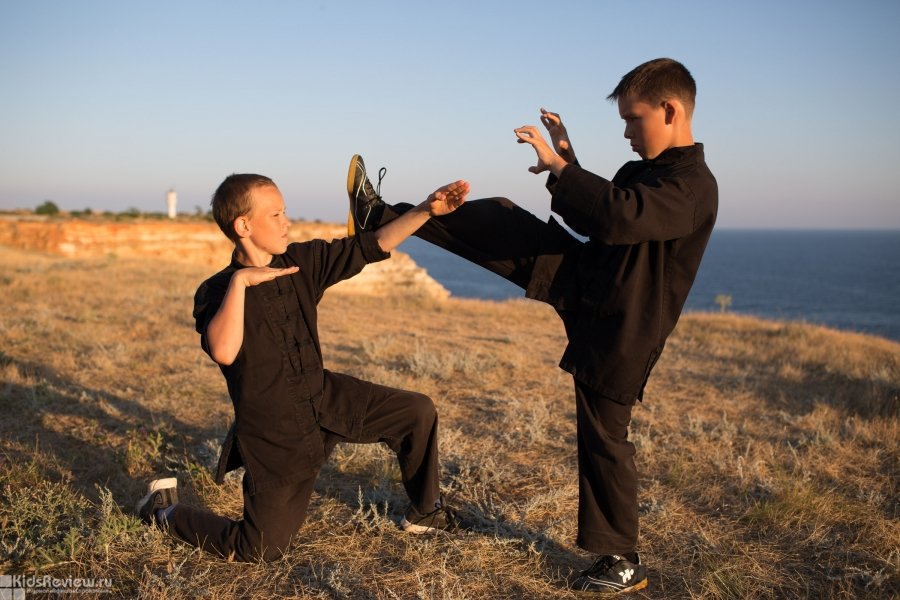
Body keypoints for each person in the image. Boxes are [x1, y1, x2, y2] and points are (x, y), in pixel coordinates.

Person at [348, 58, 717, 595]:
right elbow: (599, 218)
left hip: (624, 326)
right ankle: (381, 218)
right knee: (501, 216)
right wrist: (563, 158)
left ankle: (623, 559)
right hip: (590, 281)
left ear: (670, 110)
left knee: (605, 437)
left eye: (633, 120)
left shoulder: (692, 185)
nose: (627, 131)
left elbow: (623, 216)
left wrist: (564, 168)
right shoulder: (648, 171)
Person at [135, 171, 470, 562]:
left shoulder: (301, 261)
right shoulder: (216, 290)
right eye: (275, 215)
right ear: (243, 225)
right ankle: (162, 510)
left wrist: (426, 210)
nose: (286, 222)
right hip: (277, 433)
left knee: (416, 411)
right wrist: (241, 283)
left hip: (325, 397)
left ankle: (425, 513)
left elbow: (370, 245)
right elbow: (223, 351)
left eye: (285, 212)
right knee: (261, 549)